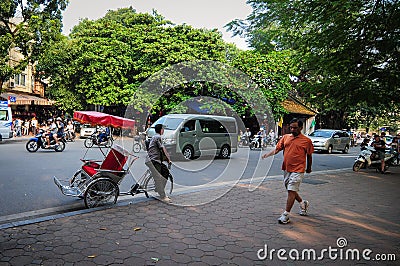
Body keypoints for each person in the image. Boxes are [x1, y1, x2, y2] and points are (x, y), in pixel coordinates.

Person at [262, 118, 314, 224]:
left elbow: (309, 155)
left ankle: (286, 215)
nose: (292, 129)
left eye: (295, 128)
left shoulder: (306, 141)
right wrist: (267, 155)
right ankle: (303, 203)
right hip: (287, 168)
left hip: (299, 169)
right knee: (291, 190)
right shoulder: (285, 138)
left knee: (291, 190)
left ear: (301, 127)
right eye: (291, 127)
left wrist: (309, 168)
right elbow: (277, 149)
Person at [145, 124, 172, 203]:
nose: (163, 131)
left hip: (155, 160)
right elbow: (163, 149)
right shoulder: (157, 137)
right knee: (158, 178)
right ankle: (163, 196)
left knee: (165, 172)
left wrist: (166, 159)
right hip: (153, 161)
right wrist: (169, 159)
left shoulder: (155, 137)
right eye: (163, 129)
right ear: (160, 130)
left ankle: (159, 188)